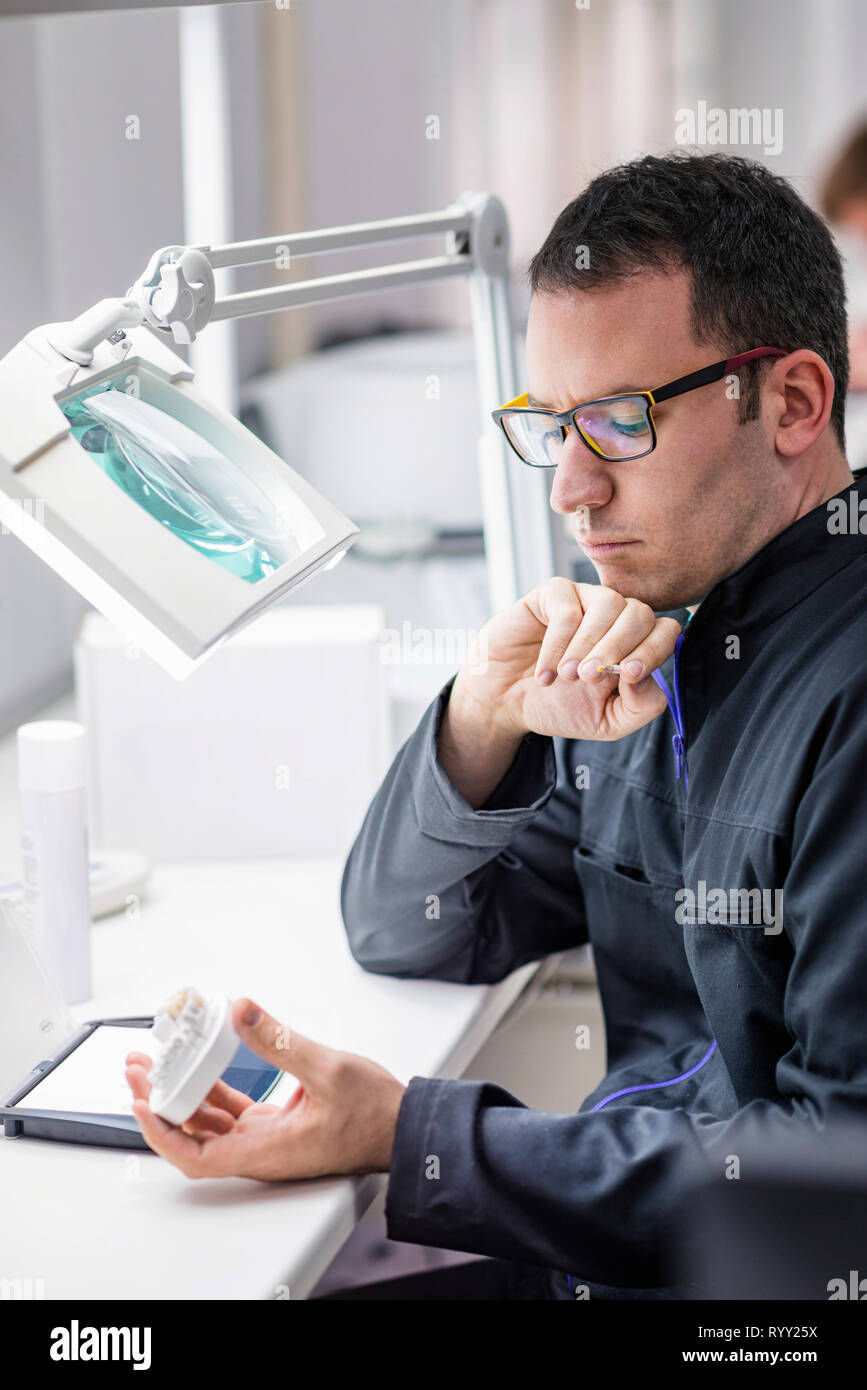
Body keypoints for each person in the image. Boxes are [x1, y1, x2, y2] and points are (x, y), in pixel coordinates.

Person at [127, 153, 867, 1301]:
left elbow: (832, 1190)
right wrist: (480, 714)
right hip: (610, 1254)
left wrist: (412, 1132)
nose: (570, 488)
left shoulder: (846, 699)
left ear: (794, 402)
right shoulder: (652, 642)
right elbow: (403, 931)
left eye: (619, 422)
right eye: (552, 425)